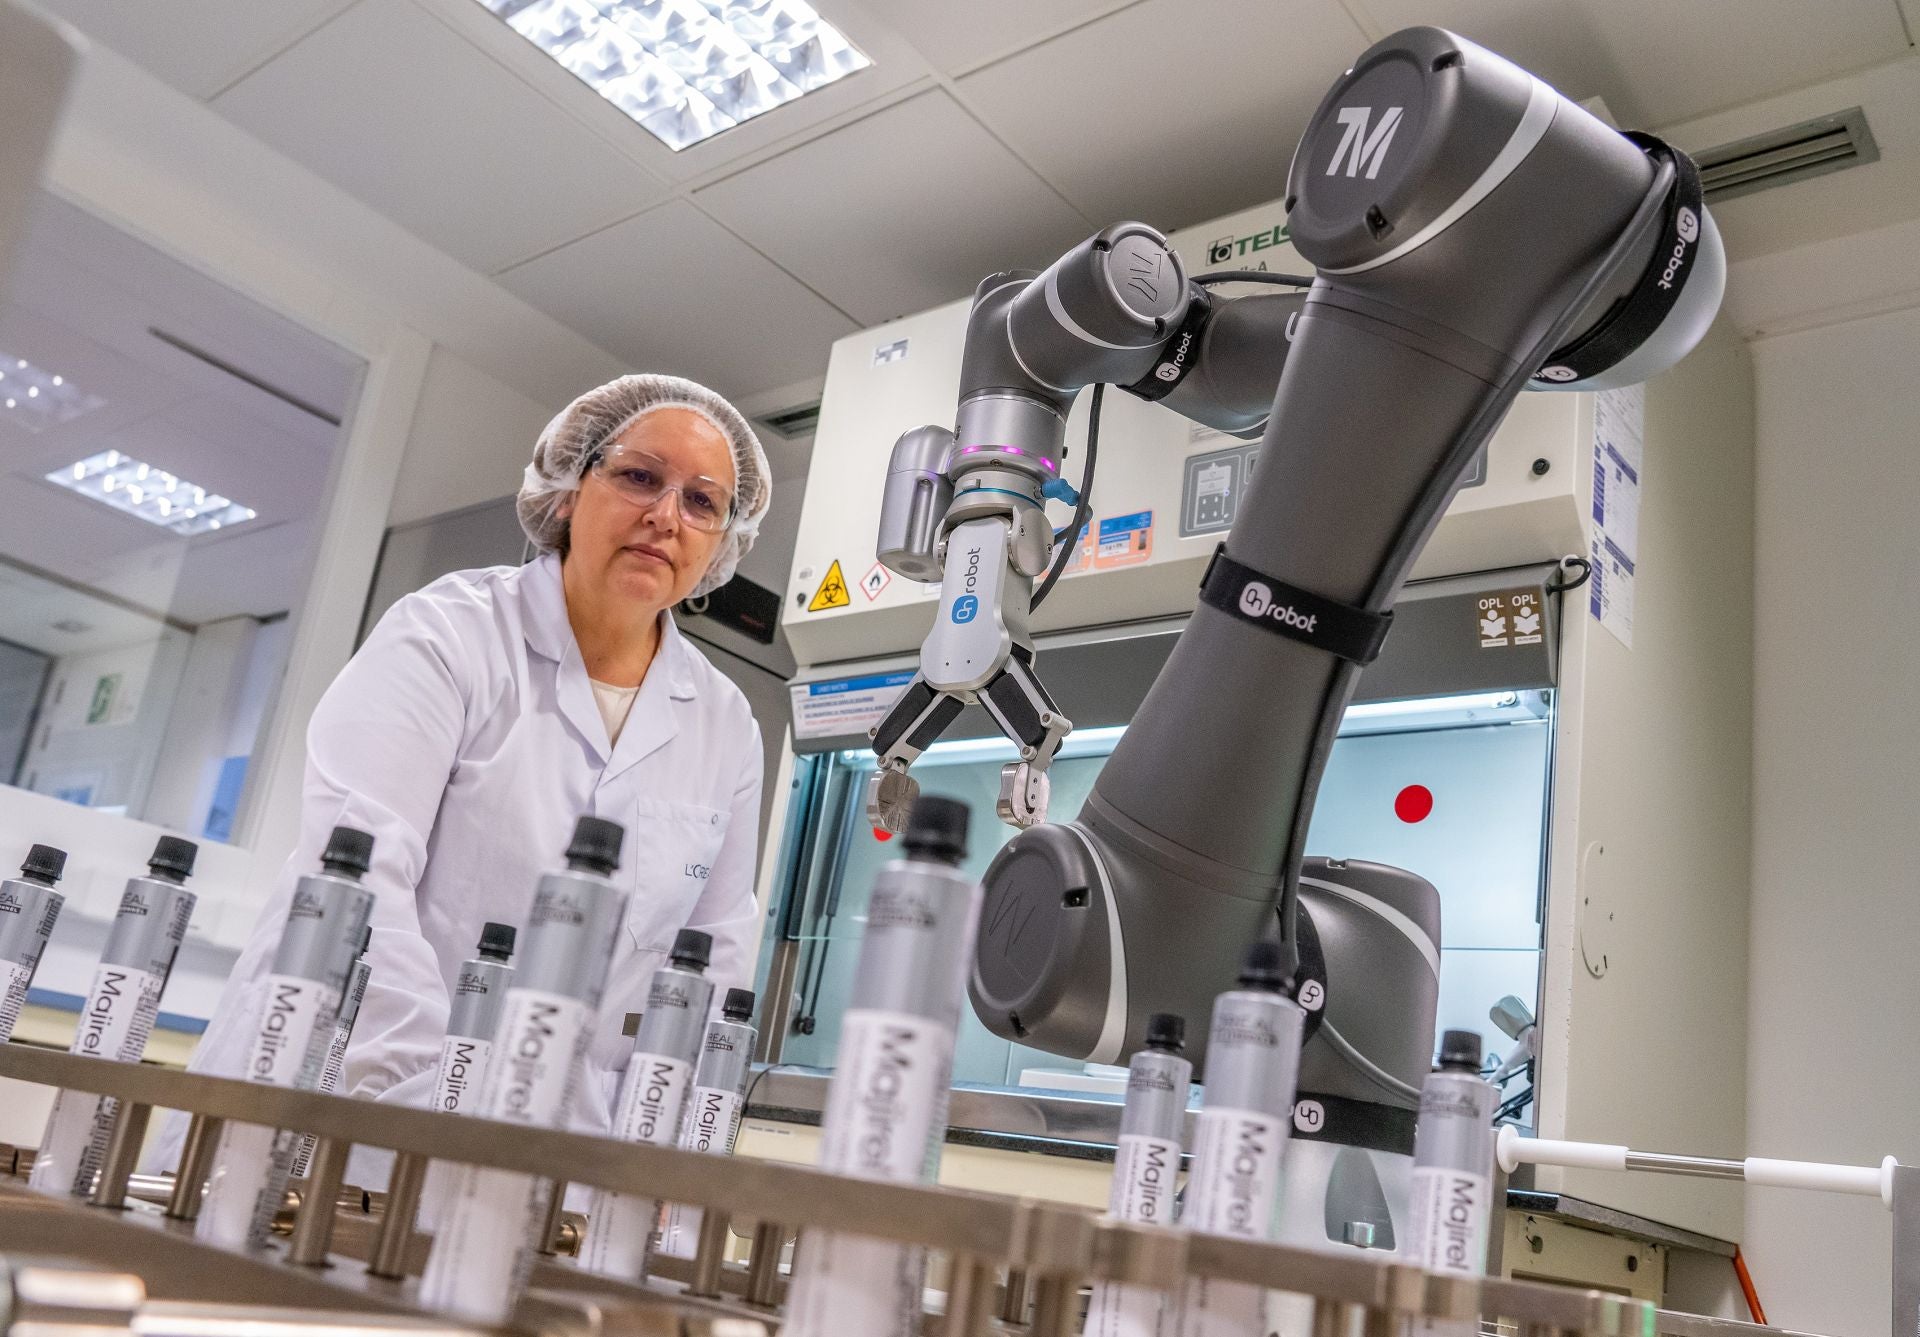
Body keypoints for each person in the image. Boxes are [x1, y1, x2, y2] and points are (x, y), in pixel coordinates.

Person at [155, 374, 772, 1168]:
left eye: (702, 501)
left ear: (722, 543)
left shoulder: (724, 725)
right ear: (567, 494)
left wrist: (662, 1166)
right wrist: (442, 1103)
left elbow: (712, 959)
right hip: (349, 1104)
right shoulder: (447, 636)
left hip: (567, 1159)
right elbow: (356, 879)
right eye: (639, 476)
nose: (665, 516)